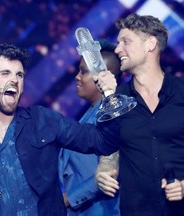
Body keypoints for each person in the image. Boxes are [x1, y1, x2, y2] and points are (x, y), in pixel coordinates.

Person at [0, 43, 121, 216]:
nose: (14, 80)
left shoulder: (43, 120)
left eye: (19, 75)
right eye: (5, 73)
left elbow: (102, 142)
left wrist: (109, 96)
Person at [95, 13, 184, 216]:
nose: (117, 49)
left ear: (150, 44)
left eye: (126, 41)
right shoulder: (117, 100)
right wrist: (103, 171)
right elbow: (110, 151)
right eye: (117, 43)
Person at [58, 40, 121, 216]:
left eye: (84, 72)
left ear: (103, 76)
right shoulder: (91, 113)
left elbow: (113, 169)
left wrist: (69, 198)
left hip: (101, 210)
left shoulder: (110, 115)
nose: (77, 77)